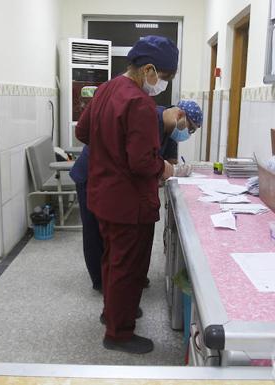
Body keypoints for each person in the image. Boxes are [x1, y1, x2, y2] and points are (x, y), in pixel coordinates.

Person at [75, 35, 179, 354]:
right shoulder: (140, 103)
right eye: (163, 77)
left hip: (102, 195)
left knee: (112, 260)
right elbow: (142, 162)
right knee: (128, 265)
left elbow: (82, 132)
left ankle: (114, 311)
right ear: (148, 69)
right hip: (129, 203)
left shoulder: (106, 89)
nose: (161, 84)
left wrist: (108, 149)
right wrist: (166, 167)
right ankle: (119, 333)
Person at [70, 100, 203, 293]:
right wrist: (163, 171)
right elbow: (142, 162)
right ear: (180, 115)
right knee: (96, 231)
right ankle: (101, 281)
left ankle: (131, 277)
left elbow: (168, 163)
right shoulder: (148, 120)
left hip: (120, 179)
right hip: (92, 173)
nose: (188, 134)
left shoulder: (172, 131)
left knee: (132, 232)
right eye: (190, 129)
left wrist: (175, 170)